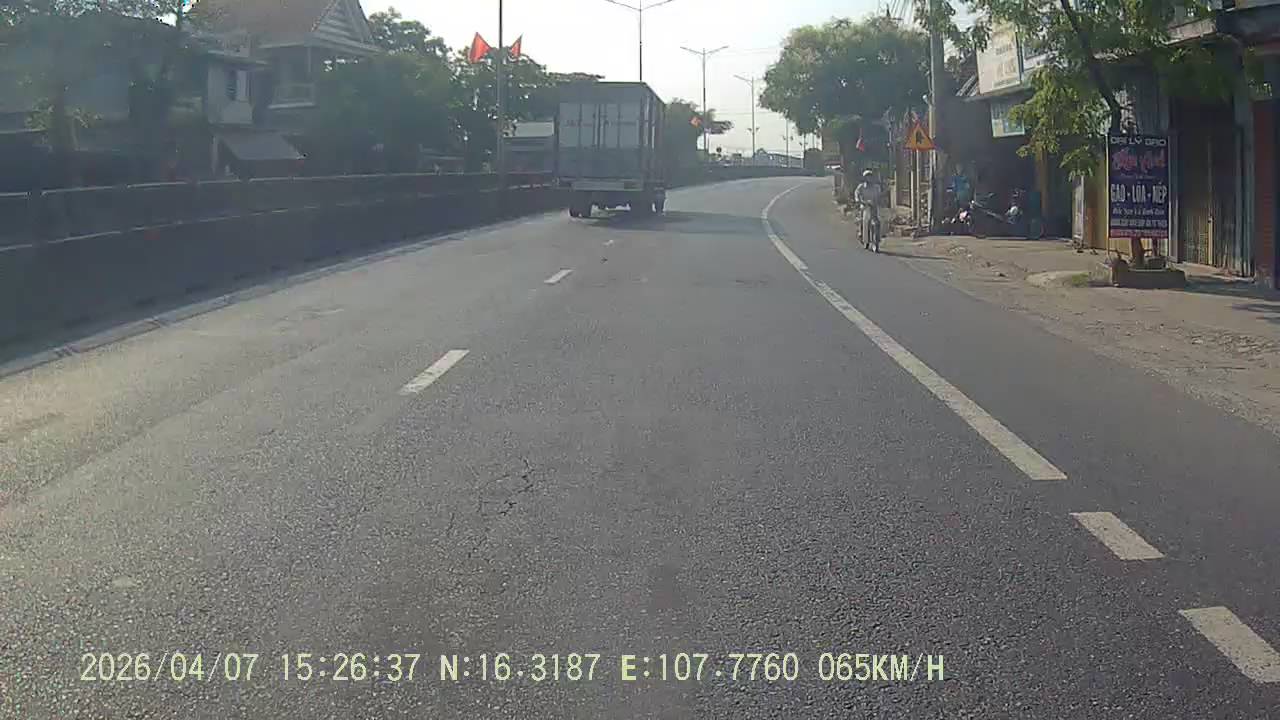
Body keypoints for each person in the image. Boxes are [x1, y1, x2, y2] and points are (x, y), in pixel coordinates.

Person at [853, 169, 883, 249]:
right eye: (867, 177)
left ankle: (877, 239)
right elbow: (856, 194)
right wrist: (859, 201)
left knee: (878, 222)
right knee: (863, 221)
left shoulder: (876, 187)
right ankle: (863, 236)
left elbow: (879, 196)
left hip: (874, 207)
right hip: (864, 207)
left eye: (870, 176)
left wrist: (879, 201)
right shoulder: (861, 187)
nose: (869, 178)